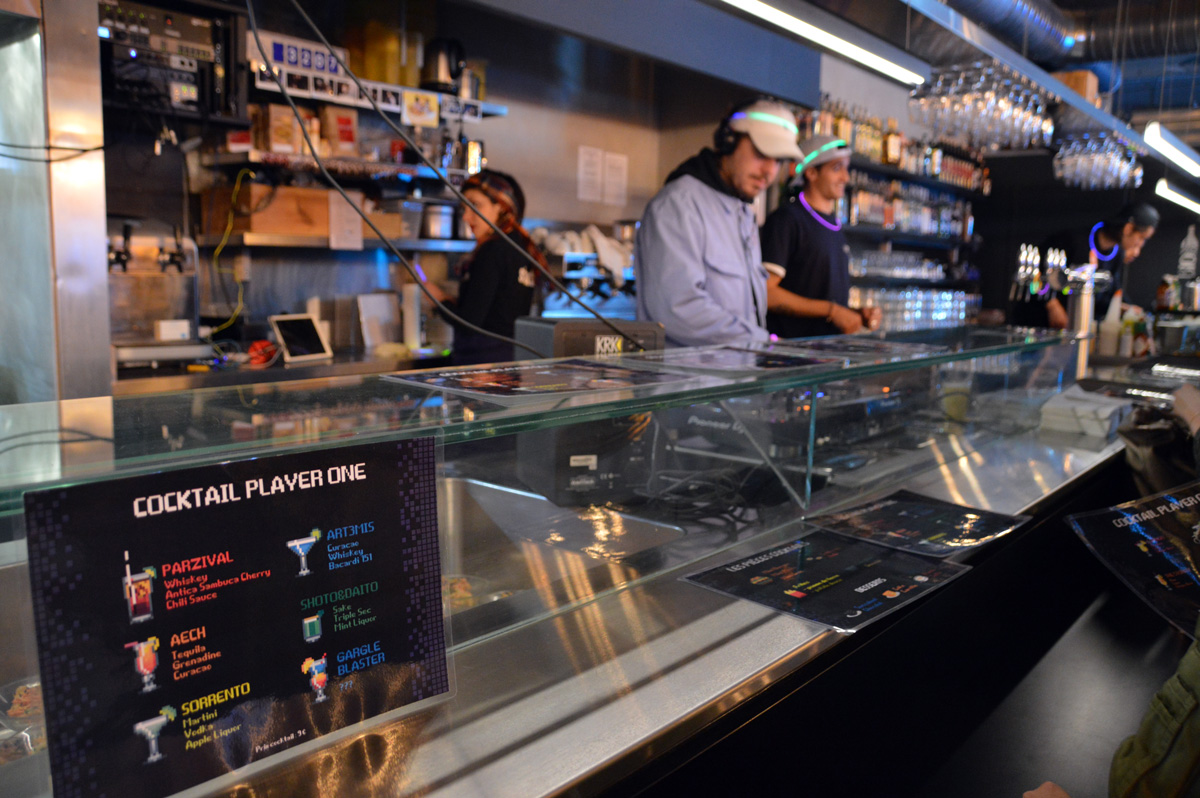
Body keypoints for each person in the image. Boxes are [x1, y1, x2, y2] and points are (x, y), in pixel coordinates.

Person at [635, 99, 803, 347]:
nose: (769, 171)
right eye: (761, 154)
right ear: (728, 141)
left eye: (778, 160)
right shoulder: (679, 204)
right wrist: (762, 342)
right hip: (685, 373)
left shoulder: (743, 213)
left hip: (740, 370)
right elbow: (677, 308)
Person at [760, 133, 882, 337]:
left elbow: (817, 293)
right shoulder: (787, 219)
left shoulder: (833, 223)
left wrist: (853, 314)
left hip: (828, 350)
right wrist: (831, 310)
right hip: (792, 352)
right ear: (811, 173)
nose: (845, 177)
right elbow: (765, 292)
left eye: (846, 168)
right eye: (836, 168)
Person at [423, 169, 542, 366]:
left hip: (482, 365)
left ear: (501, 207)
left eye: (475, 206)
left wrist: (438, 299)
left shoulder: (492, 250)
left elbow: (470, 323)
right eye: (464, 208)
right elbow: (497, 311)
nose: (466, 217)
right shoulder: (520, 246)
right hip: (510, 361)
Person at [1018, 202, 1159, 329]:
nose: (1141, 244)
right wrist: (1051, 305)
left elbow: (1104, 295)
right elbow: (1036, 271)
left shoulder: (1116, 255)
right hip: (1036, 323)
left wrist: (1123, 308)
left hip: (1073, 328)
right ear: (1128, 228)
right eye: (1141, 238)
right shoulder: (1074, 240)